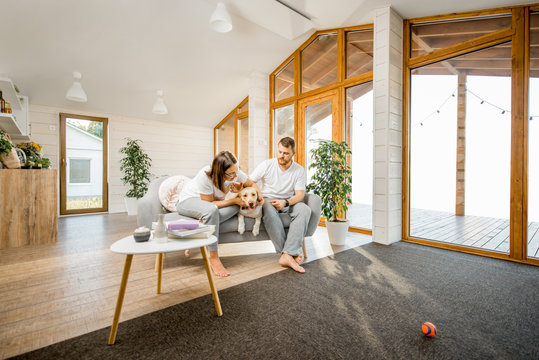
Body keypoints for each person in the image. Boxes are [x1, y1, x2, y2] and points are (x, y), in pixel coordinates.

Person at [177, 151, 263, 277]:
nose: (235, 176)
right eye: (231, 174)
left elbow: (252, 184)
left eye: (236, 171)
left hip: (208, 208)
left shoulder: (235, 173)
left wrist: (260, 197)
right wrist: (233, 199)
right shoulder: (205, 175)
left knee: (239, 205)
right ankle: (213, 257)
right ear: (220, 172)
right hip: (188, 201)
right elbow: (210, 204)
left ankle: (198, 229)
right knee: (213, 211)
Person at [250, 137, 310, 273]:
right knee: (268, 209)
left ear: (293, 154)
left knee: (305, 209)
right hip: (268, 200)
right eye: (279, 152)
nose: (281, 156)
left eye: (286, 153)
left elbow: (300, 195)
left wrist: (285, 202)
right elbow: (250, 181)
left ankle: (287, 254)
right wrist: (259, 194)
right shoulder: (267, 164)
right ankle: (289, 254)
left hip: (288, 201)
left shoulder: (299, 170)